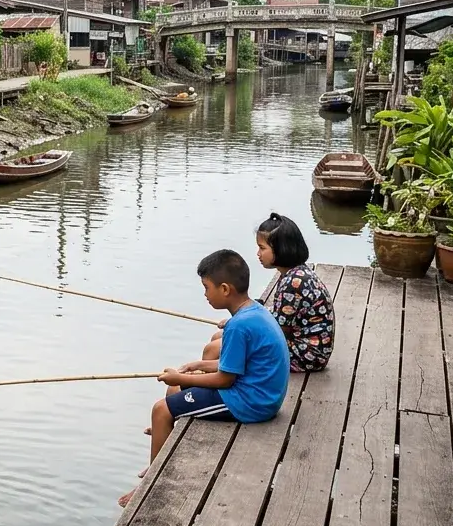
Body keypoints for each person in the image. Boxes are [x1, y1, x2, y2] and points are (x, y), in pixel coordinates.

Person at [120, 249, 289, 507]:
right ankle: (162, 449)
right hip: (261, 393)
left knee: (161, 410)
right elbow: (237, 364)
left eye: (206, 288)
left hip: (250, 402)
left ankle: (148, 488)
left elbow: (225, 380)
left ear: (224, 289)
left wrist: (185, 378)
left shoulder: (238, 325)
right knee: (175, 386)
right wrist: (198, 366)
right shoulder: (254, 311)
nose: (205, 295)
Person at [201, 214, 334, 372]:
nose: (258, 253)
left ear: (281, 249)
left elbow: (276, 330)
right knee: (219, 338)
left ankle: (213, 386)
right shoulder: (294, 273)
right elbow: (279, 315)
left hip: (307, 355)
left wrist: (240, 324)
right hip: (304, 346)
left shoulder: (293, 282)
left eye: (262, 248)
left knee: (213, 349)